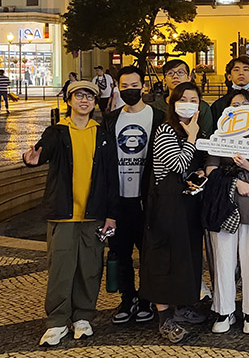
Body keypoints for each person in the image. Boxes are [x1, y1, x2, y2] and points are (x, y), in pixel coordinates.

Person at [22, 80, 119, 346]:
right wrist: (33, 160)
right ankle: (56, 321)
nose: (84, 100)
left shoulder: (102, 133)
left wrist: (111, 214)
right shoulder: (57, 131)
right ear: (69, 100)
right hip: (63, 214)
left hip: (94, 214)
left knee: (89, 268)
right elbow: (42, 151)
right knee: (60, 270)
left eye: (89, 96)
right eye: (79, 96)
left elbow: (112, 176)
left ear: (94, 101)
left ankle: (83, 317)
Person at [139, 82, 208, 343]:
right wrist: (191, 137)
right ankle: (164, 318)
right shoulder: (166, 129)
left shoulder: (196, 129)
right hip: (166, 206)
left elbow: (193, 165)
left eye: (194, 99)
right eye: (184, 98)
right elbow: (178, 164)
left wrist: (199, 174)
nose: (189, 103)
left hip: (188, 204)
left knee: (186, 256)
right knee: (163, 258)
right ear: (173, 101)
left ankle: (183, 306)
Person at [203, 89, 249, 335]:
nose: (240, 107)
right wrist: (233, 182)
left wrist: (246, 166)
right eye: (235, 104)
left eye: (244, 104)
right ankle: (224, 310)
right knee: (223, 256)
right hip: (223, 201)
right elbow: (211, 169)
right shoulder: (219, 136)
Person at [103, 66, 165, 326]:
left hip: (147, 198)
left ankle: (147, 299)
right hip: (119, 198)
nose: (130, 90)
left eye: (134, 85)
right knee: (120, 251)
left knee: (149, 251)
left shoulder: (159, 117)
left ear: (144, 86)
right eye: (125, 86)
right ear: (119, 88)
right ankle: (127, 298)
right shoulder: (110, 119)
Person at [151, 59, 215, 136]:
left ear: (189, 78)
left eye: (180, 72)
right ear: (164, 80)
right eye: (170, 73)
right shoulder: (155, 107)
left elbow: (207, 136)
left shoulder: (202, 107)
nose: (175, 76)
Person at [210, 56, 249, 124]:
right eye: (236, 70)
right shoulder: (218, 105)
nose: (241, 73)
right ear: (229, 77)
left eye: (245, 70)